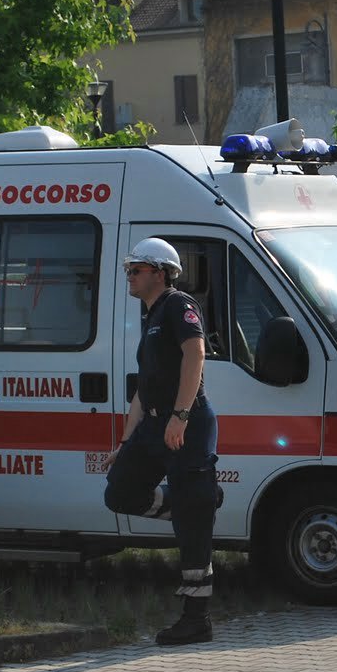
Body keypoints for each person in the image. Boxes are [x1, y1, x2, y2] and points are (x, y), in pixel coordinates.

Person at [103, 237, 220, 645]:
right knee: (120, 491)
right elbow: (142, 390)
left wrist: (180, 416)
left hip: (185, 424)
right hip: (154, 425)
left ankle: (196, 619)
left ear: (159, 271)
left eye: (135, 269)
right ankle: (189, 501)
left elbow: (196, 355)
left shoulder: (178, 305)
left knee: (193, 525)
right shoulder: (149, 316)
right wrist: (125, 442)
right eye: (128, 270)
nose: (129, 276)